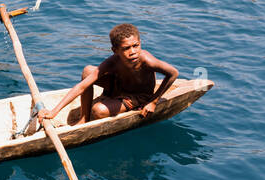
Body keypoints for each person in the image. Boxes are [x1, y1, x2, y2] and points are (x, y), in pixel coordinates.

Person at [29, 23, 178, 133]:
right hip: (119, 87)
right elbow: (81, 86)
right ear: (115, 50)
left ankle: (107, 105)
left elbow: (173, 73)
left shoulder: (146, 60)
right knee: (88, 71)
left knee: (99, 110)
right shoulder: (113, 62)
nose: (133, 52)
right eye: (126, 48)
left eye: (136, 45)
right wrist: (54, 112)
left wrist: (153, 101)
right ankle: (83, 118)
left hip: (138, 96)